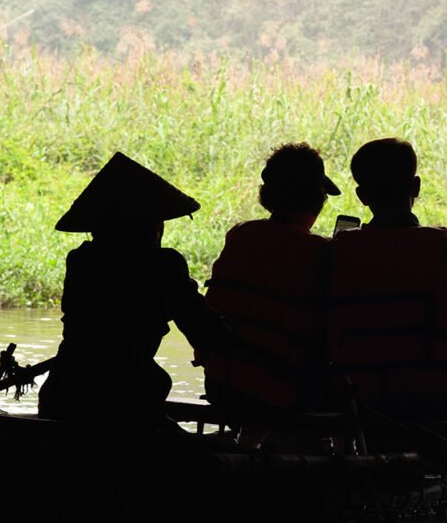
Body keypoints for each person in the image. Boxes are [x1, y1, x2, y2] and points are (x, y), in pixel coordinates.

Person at [38, 152, 226, 425]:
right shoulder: (163, 265)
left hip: (62, 397)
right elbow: (206, 331)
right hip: (124, 405)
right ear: (150, 225)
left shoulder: (81, 261)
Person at [326, 137, 447, 419]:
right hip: (438, 401)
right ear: (416, 187)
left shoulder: (337, 250)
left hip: (361, 402)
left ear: (362, 197)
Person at [197, 143, 340, 410]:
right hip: (285, 390)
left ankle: (250, 441)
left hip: (221, 382)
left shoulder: (240, 235)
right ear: (317, 199)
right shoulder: (322, 251)